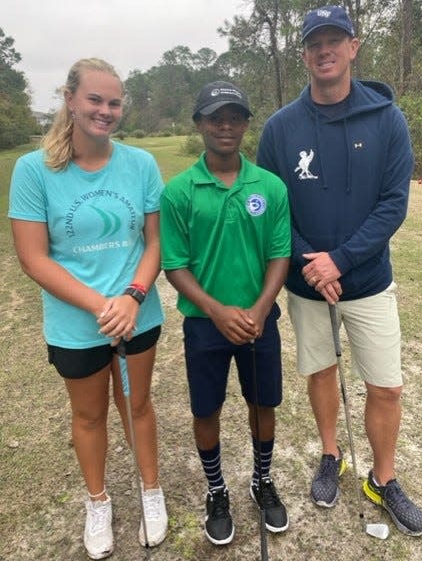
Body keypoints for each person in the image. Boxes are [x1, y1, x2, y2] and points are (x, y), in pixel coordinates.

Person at [257, 6, 422, 537]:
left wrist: (342, 259)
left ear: (354, 46)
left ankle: (383, 478)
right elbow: (271, 205)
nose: (324, 50)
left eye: (335, 39)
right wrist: (313, 263)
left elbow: (392, 205)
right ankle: (331, 455)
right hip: (308, 286)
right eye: (314, 42)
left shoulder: (388, 119)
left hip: (369, 280)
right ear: (304, 53)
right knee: (321, 372)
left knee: (387, 386)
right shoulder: (281, 128)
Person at [8, 58, 168, 559]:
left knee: (137, 406)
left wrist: (133, 297)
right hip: (76, 323)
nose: (105, 110)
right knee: (89, 414)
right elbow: (33, 258)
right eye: (95, 100)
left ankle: (151, 490)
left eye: (114, 102)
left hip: (137, 312)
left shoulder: (140, 164)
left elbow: (155, 241)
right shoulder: (34, 170)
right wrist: (104, 305)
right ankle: (97, 501)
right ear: (71, 101)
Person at [160, 81, 291, 546]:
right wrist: (216, 311)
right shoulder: (178, 192)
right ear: (199, 124)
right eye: (215, 116)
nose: (225, 125)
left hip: (260, 322)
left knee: (263, 404)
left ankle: (261, 479)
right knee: (207, 408)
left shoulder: (270, 186)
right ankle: (217, 490)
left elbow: (280, 254)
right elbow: (174, 264)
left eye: (234, 116)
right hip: (204, 325)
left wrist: (259, 308)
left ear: (245, 124)